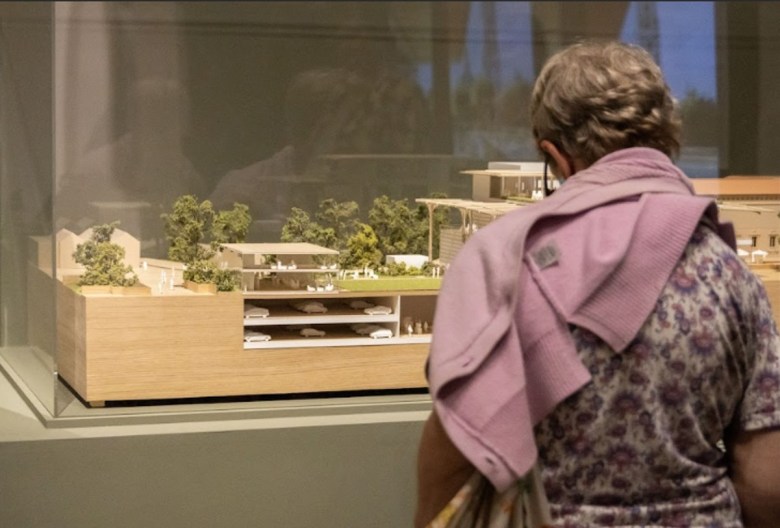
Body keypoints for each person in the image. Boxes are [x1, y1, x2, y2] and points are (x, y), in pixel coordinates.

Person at [416, 40, 780, 527]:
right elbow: (765, 474)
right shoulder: (731, 278)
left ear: (556, 156)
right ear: (667, 138)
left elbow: (457, 443)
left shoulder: (503, 259)